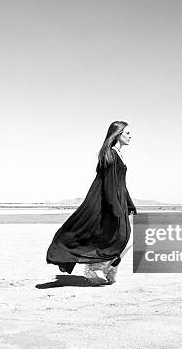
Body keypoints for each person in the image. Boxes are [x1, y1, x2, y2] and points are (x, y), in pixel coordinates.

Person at [46, 121, 137, 284]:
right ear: (117, 134)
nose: (130, 136)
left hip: (120, 202)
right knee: (118, 239)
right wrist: (114, 208)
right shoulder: (110, 154)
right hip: (111, 204)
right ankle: (94, 269)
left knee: (126, 239)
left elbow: (121, 184)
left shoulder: (119, 155)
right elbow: (109, 185)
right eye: (127, 133)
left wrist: (129, 204)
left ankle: (108, 268)